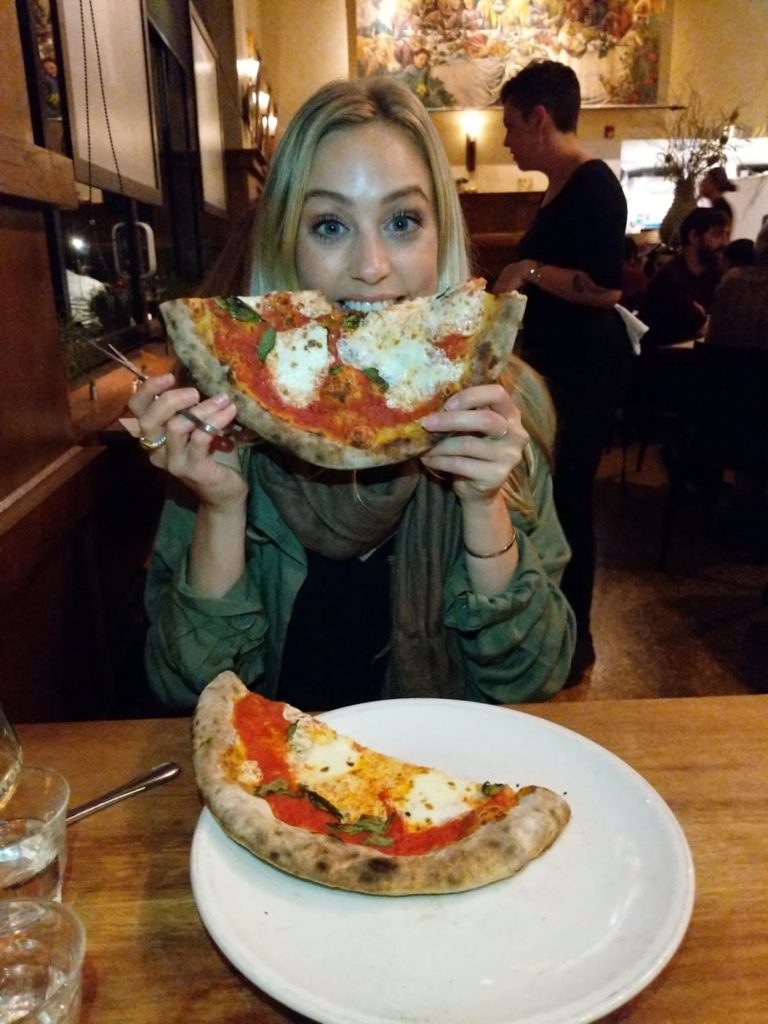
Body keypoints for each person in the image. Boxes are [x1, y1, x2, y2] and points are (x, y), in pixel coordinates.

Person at [128, 77, 575, 712]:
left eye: (401, 221)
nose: (370, 265)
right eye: (330, 224)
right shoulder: (225, 412)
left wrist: (485, 507)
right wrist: (220, 506)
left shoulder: (505, 405)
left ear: (439, 234)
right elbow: (188, 690)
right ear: (287, 241)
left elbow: (536, 675)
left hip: (441, 784)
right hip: (278, 789)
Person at [493, 60, 630, 684]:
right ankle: (558, 632)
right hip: (557, 367)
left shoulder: (594, 184)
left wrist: (526, 271)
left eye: (511, 124)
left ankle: (577, 644)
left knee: (572, 499)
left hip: (583, 368)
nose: (505, 139)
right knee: (555, 498)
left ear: (540, 117)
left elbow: (605, 288)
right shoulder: (563, 185)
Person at [639, 206, 729, 351]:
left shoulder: (715, 276)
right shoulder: (670, 279)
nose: (725, 243)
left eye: (726, 235)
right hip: (664, 365)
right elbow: (707, 330)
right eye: (717, 235)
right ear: (693, 237)